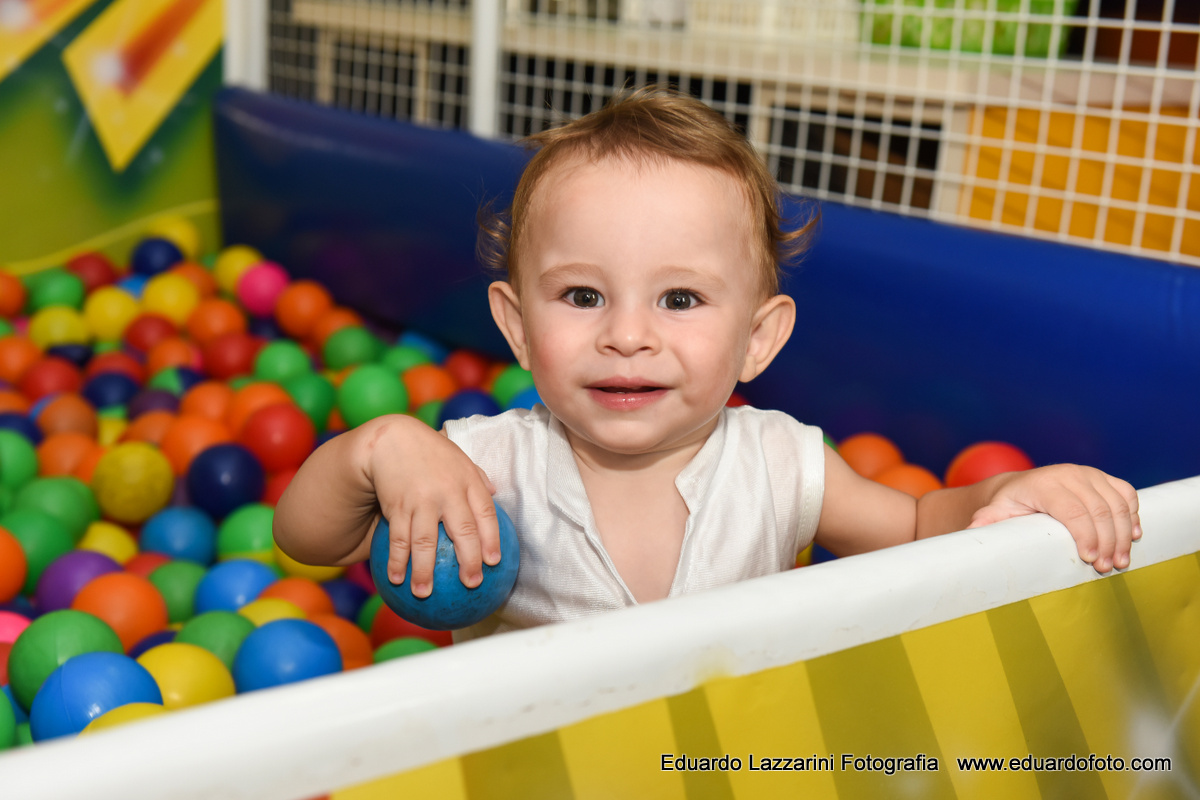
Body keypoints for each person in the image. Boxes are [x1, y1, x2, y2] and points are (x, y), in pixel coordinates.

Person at [274, 88, 1140, 641]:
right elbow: (307, 540)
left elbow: (915, 529)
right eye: (582, 297)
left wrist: (1000, 496)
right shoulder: (483, 464)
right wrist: (379, 446)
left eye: (679, 300)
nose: (627, 336)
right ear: (516, 323)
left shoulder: (779, 461)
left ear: (758, 339)